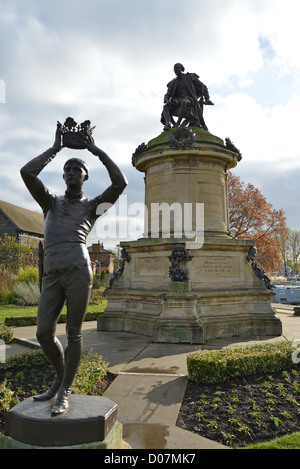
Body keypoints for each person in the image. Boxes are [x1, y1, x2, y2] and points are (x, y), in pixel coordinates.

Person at [20, 124, 127, 415]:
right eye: (66, 170)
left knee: (74, 333)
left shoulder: (93, 207)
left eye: (76, 169)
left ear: (85, 176)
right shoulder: (49, 203)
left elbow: (120, 184)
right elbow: (27, 173)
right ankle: (60, 379)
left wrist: (94, 151)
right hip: (52, 273)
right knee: (43, 332)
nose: (70, 173)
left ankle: (65, 390)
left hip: (79, 270)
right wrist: (55, 149)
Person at [161, 63, 214, 130]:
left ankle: (178, 123)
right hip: (177, 100)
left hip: (189, 99)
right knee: (166, 107)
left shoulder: (190, 76)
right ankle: (167, 125)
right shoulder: (173, 82)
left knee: (184, 102)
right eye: (174, 69)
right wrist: (166, 99)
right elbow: (168, 94)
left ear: (181, 69)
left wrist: (207, 99)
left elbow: (202, 86)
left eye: (177, 68)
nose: (175, 70)